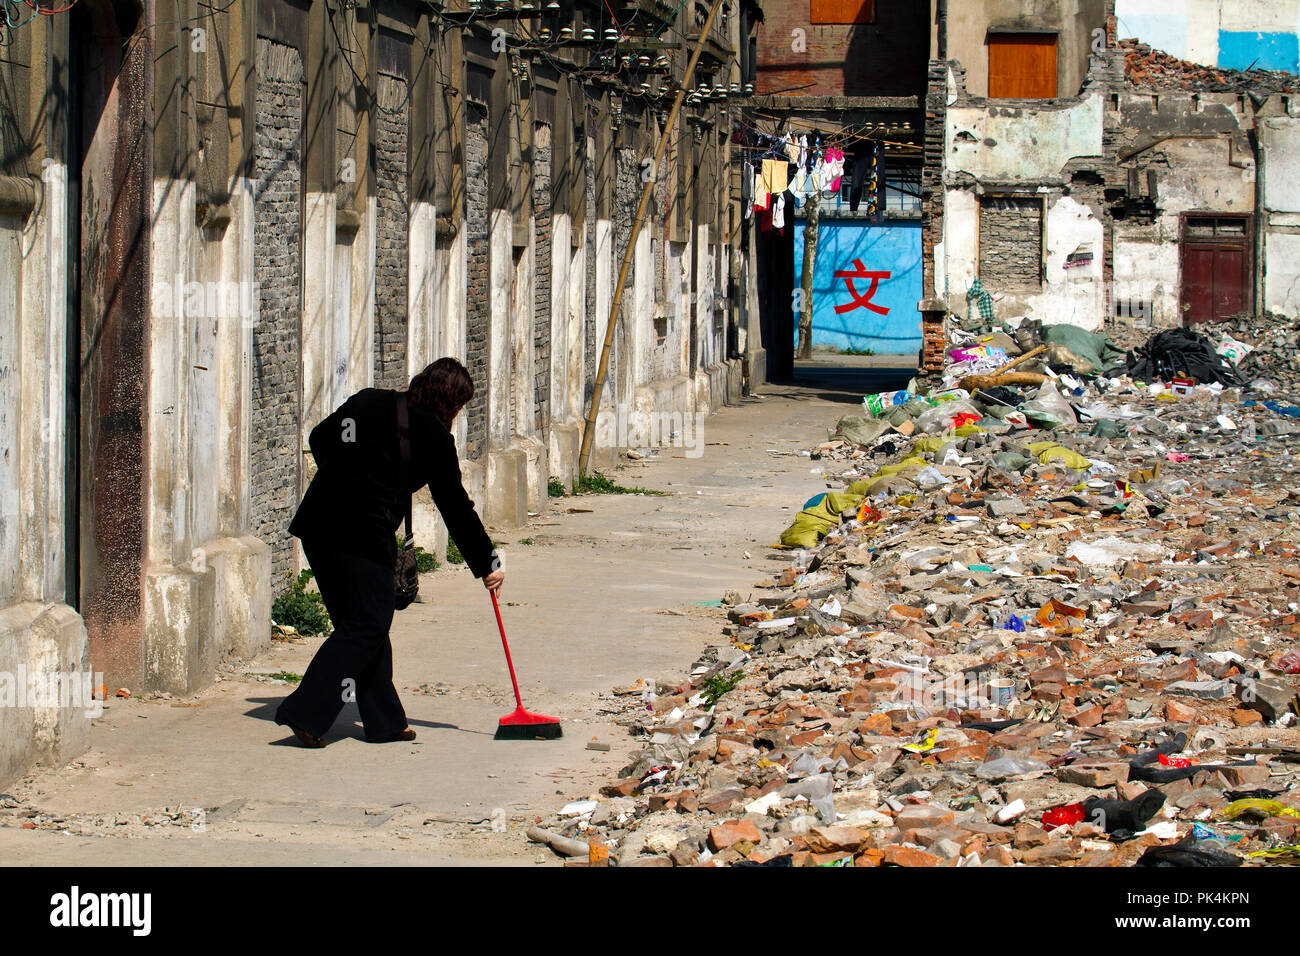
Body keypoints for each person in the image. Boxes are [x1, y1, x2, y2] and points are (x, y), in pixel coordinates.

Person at [274, 358, 504, 747]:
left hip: (319, 525)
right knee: (367, 624)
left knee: (363, 622)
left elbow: (318, 437)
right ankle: (305, 712)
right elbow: (455, 506)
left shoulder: (368, 402)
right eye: (459, 406)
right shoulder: (434, 437)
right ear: (450, 403)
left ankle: (385, 721)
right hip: (361, 536)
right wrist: (487, 564)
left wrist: (347, 473)